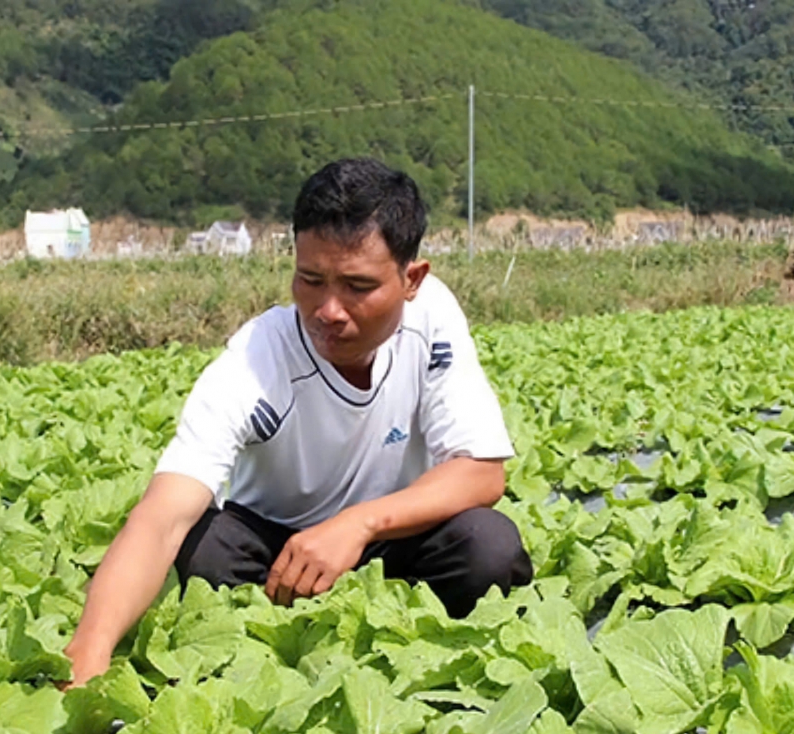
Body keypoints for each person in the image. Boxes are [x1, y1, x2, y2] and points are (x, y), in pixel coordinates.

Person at [65, 158, 531, 687]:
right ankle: (276, 646)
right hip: (275, 553)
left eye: (358, 286)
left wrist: (358, 525)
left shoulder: (433, 319)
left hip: (391, 537)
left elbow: (482, 471)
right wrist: (90, 647)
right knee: (203, 551)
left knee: (488, 547)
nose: (328, 310)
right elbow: (163, 515)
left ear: (412, 279)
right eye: (310, 279)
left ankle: (432, 660)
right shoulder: (255, 360)